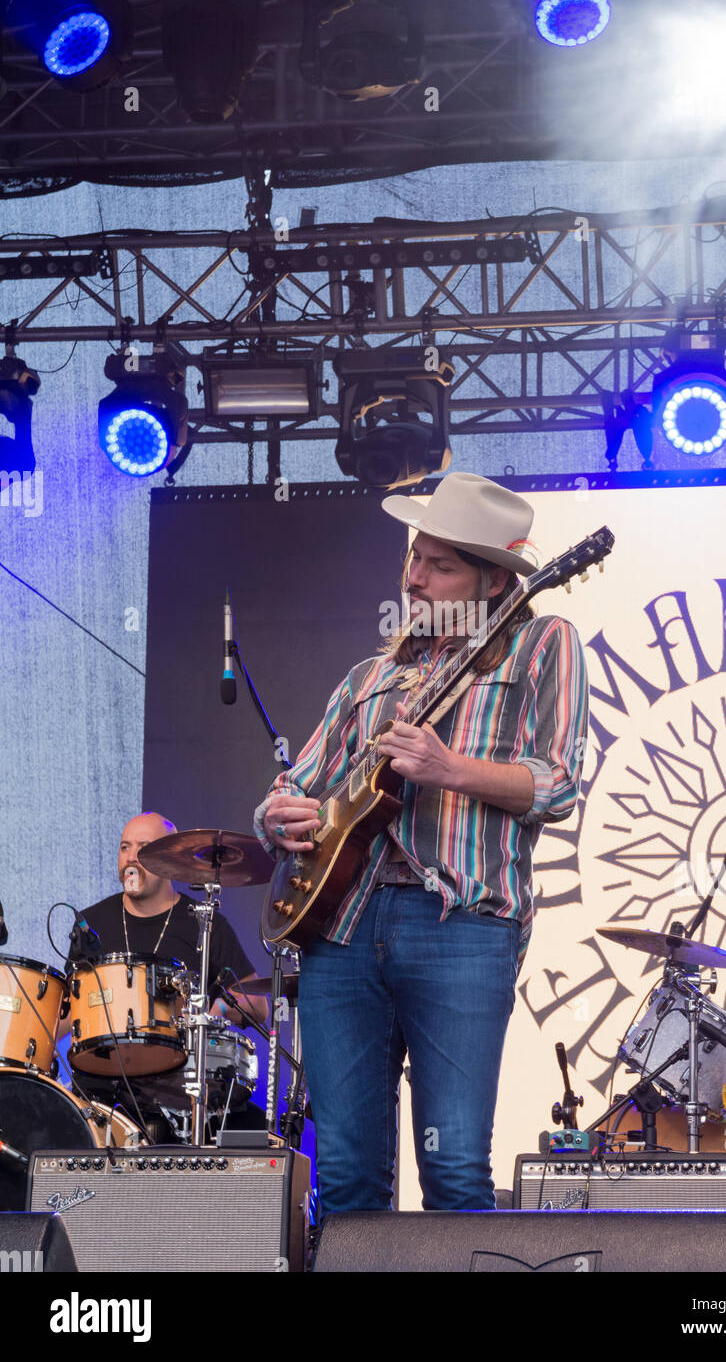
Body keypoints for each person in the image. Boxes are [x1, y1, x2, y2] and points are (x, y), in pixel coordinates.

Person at [254, 471, 587, 1213]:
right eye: (414, 558)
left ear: (492, 579)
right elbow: (293, 785)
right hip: (342, 929)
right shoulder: (370, 675)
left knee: (456, 1171)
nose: (414, 578)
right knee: (342, 1178)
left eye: (439, 565)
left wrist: (449, 769)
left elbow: (560, 783)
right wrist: (279, 817)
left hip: (460, 925)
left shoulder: (541, 642)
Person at [64, 812, 268, 1140]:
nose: (130, 857)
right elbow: (66, 1009)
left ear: (168, 857)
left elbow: (257, 1004)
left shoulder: (203, 923)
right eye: (124, 847)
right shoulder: (91, 922)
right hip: (105, 1085)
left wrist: (214, 1013)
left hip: (179, 1086)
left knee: (252, 1130)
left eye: (143, 847)